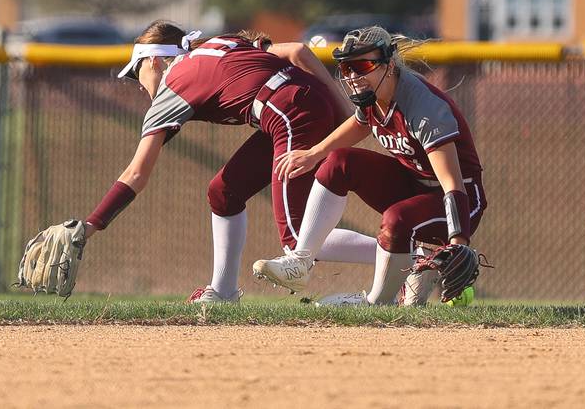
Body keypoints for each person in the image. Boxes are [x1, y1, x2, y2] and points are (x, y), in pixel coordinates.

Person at [51, 20, 378, 302]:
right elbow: (299, 54)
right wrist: (347, 114)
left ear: (153, 61)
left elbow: (136, 173)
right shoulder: (221, 43)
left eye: (137, 74)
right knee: (224, 191)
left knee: (297, 241)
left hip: (289, 113)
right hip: (295, 105)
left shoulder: (170, 90)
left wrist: (90, 225)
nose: (140, 86)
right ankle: (222, 291)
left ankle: (407, 256)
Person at [252, 26, 487, 306]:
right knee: (339, 162)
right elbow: (359, 123)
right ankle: (300, 263)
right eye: (347, 67)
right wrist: (314, 154)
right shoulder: (373, 95)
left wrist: (458, 241)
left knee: (395, 220)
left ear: (389, 65)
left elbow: (452, 184)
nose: (353, 76)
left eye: (362, 65)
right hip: (415, 187)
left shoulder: (423, 108)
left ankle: (377, 302)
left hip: (458, 202)